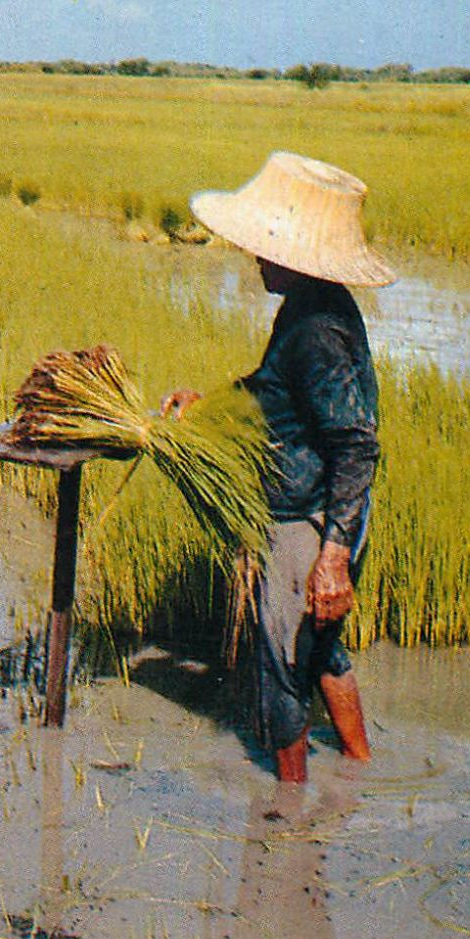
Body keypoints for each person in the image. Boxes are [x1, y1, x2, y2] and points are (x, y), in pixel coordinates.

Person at [164, 151, 395, 783]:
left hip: (308, 523)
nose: (255, 257)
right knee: (322, 648)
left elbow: (355, 445)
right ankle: (358, 773)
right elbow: (276, 393)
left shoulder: (317, 328)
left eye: (265, 247)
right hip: (323, 514)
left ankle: (286, 807)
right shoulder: (308, 307)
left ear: (293, 255)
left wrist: (332, 556)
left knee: (279, 661)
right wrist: (209, 406)